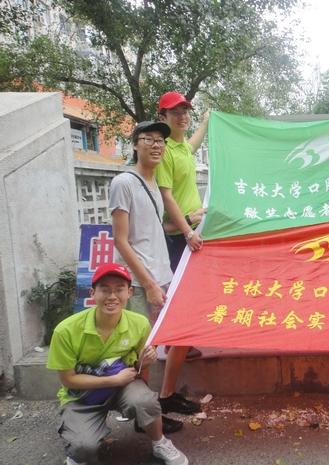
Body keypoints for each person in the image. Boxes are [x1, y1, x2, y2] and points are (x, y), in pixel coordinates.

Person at [47, 263, 188, 465]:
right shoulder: (65, 331)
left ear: (129, 292)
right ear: (93, 293)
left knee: (145, 401)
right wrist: (113, 380)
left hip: (123, 387)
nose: (112, 296)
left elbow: (139, 368)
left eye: (119, 289)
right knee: (83, 448)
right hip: (82, 396)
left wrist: (144, 361)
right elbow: (68, 380)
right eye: (105, 289)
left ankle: (160, 443)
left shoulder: (140, 323)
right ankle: (78, 448)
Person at [109, 120, 199, 422]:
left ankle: (166, 396)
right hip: (139, 282)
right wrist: (147, 283)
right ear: (135, 144)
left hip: (164, 275)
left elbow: (157, 228)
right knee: (143, 349)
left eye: (160, 140)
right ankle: (144, 416)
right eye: (148, 139)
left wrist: (190, 223)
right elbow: (121, 240)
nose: (156, 145)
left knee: (180, 333)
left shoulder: (153, 183)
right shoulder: (123, 183)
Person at [156, 91, 207, 408]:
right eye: (175, 112)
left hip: (189, 233)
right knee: (182, 304)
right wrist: (187, 229)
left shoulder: (182, 148)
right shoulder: (164, 151)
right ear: (163, 117)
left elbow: (192, 145)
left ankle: (178, 345)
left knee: (190, 299)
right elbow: (166, 196)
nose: (182, 116)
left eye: (186, 111)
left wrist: (206, 123)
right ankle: (166, 394)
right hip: (178, 237)